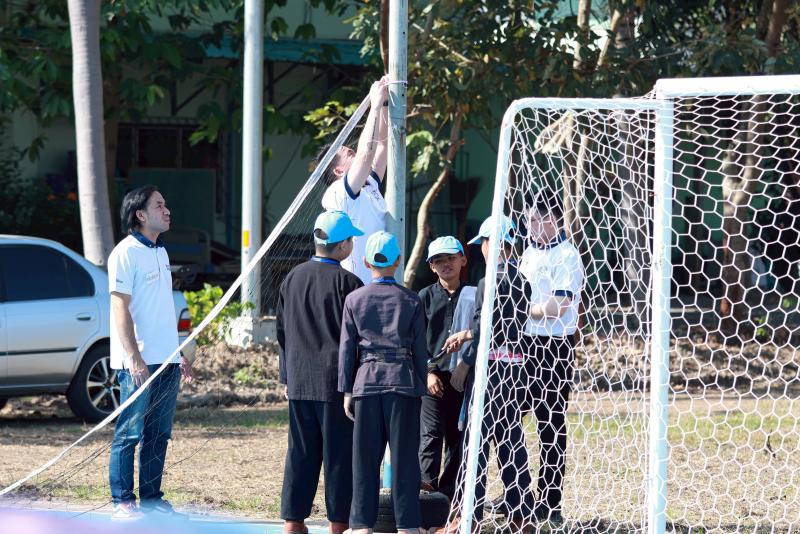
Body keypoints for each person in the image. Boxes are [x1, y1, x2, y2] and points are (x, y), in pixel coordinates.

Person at [440, 215, 534, 534]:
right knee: (511, 443)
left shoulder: (487, 281)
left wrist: (465, 359)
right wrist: (468, 333)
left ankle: (467, 517)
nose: (481, 248)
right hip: (515, 369)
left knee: (475, 445)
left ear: (491, 244)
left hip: (489, 372)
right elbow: (507, 327)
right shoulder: (523, 281)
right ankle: (521, 515)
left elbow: (485, 330)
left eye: (482, 242)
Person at [108, 185, 195, 520]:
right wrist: (133, 357)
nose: (167, 210)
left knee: (158, 434)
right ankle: (122, 502)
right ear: (140, 214)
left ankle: (152, 501)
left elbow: (159, 311)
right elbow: (120, 308)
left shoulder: (161, 252)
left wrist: (177, 353)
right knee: (129, 433)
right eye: (159, 205)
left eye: (166, 204)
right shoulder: (125, 253)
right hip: (138, 362)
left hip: (166, 361)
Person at [277, 210, 365, 534]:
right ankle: (338, 523)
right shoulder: (349, 283)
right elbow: (357, 338)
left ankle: (293, 521)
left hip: (299, 380)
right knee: (339, 455)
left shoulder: (292, 278)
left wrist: (286, 376)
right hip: (336, 384)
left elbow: (282, 332)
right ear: (343, 246)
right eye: (351, 240)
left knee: (300, 452)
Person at [338, 231, 428, 534]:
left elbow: (347, 349)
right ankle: (408, 525)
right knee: (405, 459)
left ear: (366, 262)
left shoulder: (354, 299)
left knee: (364, 459)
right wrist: (420, 385)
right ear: (398, 261)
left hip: (366, 381)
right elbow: (420, 350)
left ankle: (361, 524)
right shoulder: (412, 299)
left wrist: (347, 389)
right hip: (402, 381)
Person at [516, 189, 584, 524]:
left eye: (534, 219)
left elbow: (559, 306)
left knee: (550, 424)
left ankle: (549, 501)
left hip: (553, 347)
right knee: (509, 419)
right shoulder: (529, 252)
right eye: (527, 219)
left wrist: (519, 309)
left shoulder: (567, 256)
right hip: (522, 343)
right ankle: (518, 493)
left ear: (551, 219)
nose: (529, 225)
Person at [417, 236, 476, 500]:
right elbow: (415, 341)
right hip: (433, 377)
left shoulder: (474, 295)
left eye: (451, 258)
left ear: (463, 260)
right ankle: (426, 489)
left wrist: (466, 364)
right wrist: (428, 372)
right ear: (431, 266)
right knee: (430, 433)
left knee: (458, 435)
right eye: (438, 260)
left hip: (464, 375)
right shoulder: (424, 297)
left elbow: (480, 334)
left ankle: (449, 494)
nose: (446, 264)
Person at [320, 76, 390, 284]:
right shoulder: (339, 191)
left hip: (380, 282)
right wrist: (374, 105)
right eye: (349, 153)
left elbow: (382, 144)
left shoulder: (369, 183)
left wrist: (385, 102)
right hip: (358, 284)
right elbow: (365, 155)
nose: (354, 152)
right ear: (339, 170)